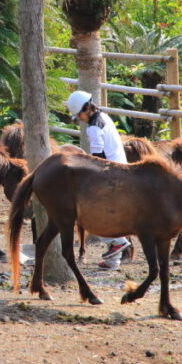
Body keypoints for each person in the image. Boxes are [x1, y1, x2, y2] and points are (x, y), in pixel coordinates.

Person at [65, 90, 131, 270]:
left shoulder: (94, 128)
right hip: (122, 170)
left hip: (110, 174)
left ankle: (118, 241)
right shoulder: (104, 117)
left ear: (87, 109)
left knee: (89, 213)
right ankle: (112, 262)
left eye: (79, 115)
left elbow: (98, 159)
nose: (80, 119)